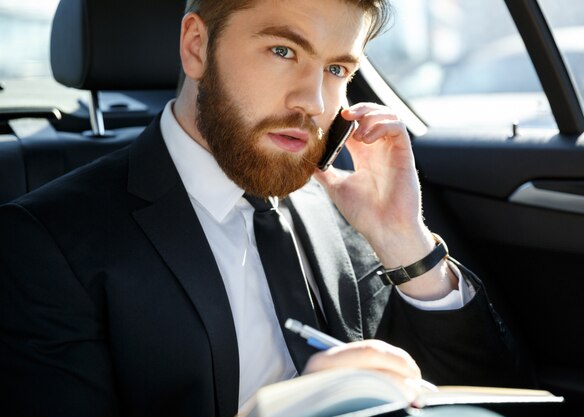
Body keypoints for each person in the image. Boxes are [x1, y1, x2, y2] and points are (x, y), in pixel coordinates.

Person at [0, 0, 531, 416]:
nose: (315, 103)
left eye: (338, 68)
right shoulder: (47, 241)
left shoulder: (347, 207)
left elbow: (479, 397)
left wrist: (405, 243)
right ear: (196, 47)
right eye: (283, 51)